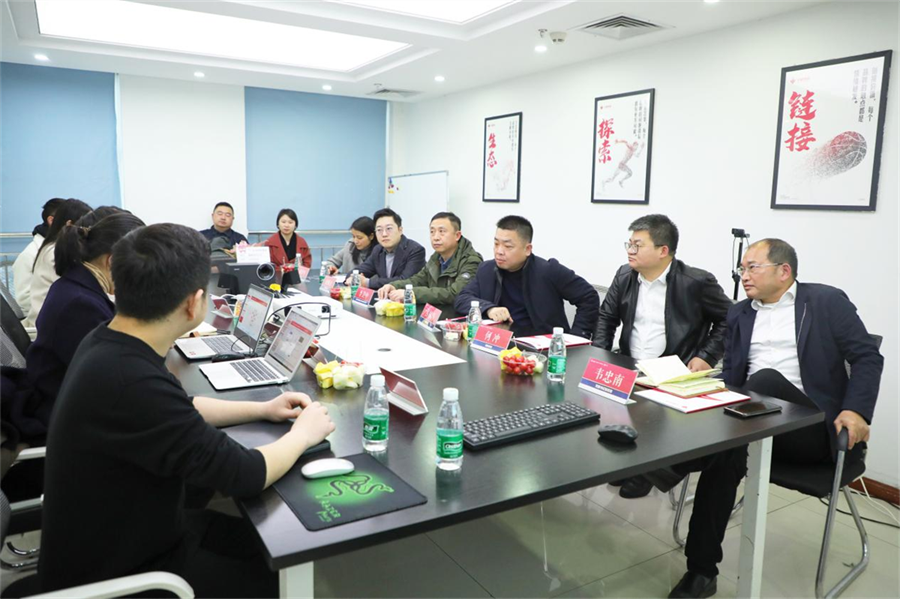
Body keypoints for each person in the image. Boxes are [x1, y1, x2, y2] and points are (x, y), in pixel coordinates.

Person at [38, 224, 335, 598]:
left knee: (268, 543)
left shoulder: (108, 341)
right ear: (194, 303)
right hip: (122, 574)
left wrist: (262, 408)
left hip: (128, 533)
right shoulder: (130, 380)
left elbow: (181, 405)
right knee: (284, 578)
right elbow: (246, 473)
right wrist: (303, 435)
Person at [659, 238, 883, 599]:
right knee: (725, 450)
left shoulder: (825, 301)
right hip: (750, 428)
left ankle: (665, 466)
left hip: (810, 430)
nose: (743, 275)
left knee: (763, 383)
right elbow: (733, 376)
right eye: (742, 269)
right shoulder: (740, 313)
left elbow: (867, 358)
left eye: (752, 267)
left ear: (784, 271)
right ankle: (701, 572)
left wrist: (856, 410)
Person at [593, 214, 732, 499]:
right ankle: (628, 460)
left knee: (656, 417)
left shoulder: (696, 281)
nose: (630, 251)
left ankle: (648, 469)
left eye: (638, 245)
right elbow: (607, 317)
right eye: (629, 244)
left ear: (663, 250)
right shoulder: (625, 275)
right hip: (630, 364)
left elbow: (730, 319)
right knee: (608, 406)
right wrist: (598, 355)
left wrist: (706, 356)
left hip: (673, 371)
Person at [2, 211, 145, 445]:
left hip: (67, 400)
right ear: (111, 261)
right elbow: (115, 383)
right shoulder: (80, 304)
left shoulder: (77, 286)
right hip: (69, 422)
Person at [454, 215, 599, 338]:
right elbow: (462, 298)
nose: (499, 251)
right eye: (496, 244)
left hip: (542, 347)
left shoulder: (548, 271)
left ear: (527, 249)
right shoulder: (487, 270)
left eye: (508, 246)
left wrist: (577, 337)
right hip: (499, 343)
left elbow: (588, 296)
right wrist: (489, 309)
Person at [377, 212, 482, 305]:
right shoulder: (436, 257)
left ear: (457, 235)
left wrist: (411, 293)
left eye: (442, 231)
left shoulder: (471, 261)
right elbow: (418, 280)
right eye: (432, 232)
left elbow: (454, 294)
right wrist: (394, 285)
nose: (435, 237)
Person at [25, 199, 93, 329]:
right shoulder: (54, 252)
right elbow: (77, 292)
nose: (88, 233)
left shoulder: (54, 248)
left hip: (56, 318)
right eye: (86, 226)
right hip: (49, 324)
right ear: (69, 224)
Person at [12, 198, 65, 312]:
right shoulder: (29, 255)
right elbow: (24, 299)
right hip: (41, 317)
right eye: (70, 222)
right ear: (51, 220)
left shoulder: (61, 249)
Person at [355, 208, 426, 291]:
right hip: (384, 297)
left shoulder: (415, 250)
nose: (384, 234)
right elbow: (363, 269)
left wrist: (368, 282)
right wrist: (354, 277)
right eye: (379, 230)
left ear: (400, 230)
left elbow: (405, 280)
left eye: (389, 229)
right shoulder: (378, 249)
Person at [261, 208, 311, 285]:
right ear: (278, 224)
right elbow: (267, 265)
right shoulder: (270, 242)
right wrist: (283, 269)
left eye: (290, 222)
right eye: (283, 222)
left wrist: (299, 271)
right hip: (276, 280)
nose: (287, 225)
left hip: (298, 280)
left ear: (295, 225)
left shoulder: (302, 242)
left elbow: (307, 262)